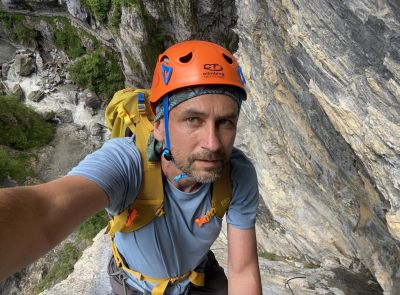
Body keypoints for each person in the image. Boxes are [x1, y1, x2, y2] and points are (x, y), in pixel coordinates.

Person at [0, 40, 261, 295]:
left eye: (225, 122)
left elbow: (243, 269)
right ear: (159, 126)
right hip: (135, 285)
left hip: (199, 275)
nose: (213, 143)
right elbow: (43, 211)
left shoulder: (238, 173)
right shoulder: (126, 163)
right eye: (193, 119)